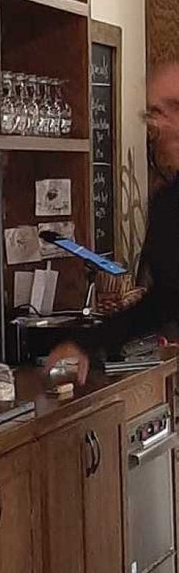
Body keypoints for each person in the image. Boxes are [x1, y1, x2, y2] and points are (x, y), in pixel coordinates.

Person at [44, 61, 179, 383]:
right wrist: (84, 343)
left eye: (175, 107)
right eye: (155, 112)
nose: (164, 123)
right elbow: (165, 301)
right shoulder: (168, 204)